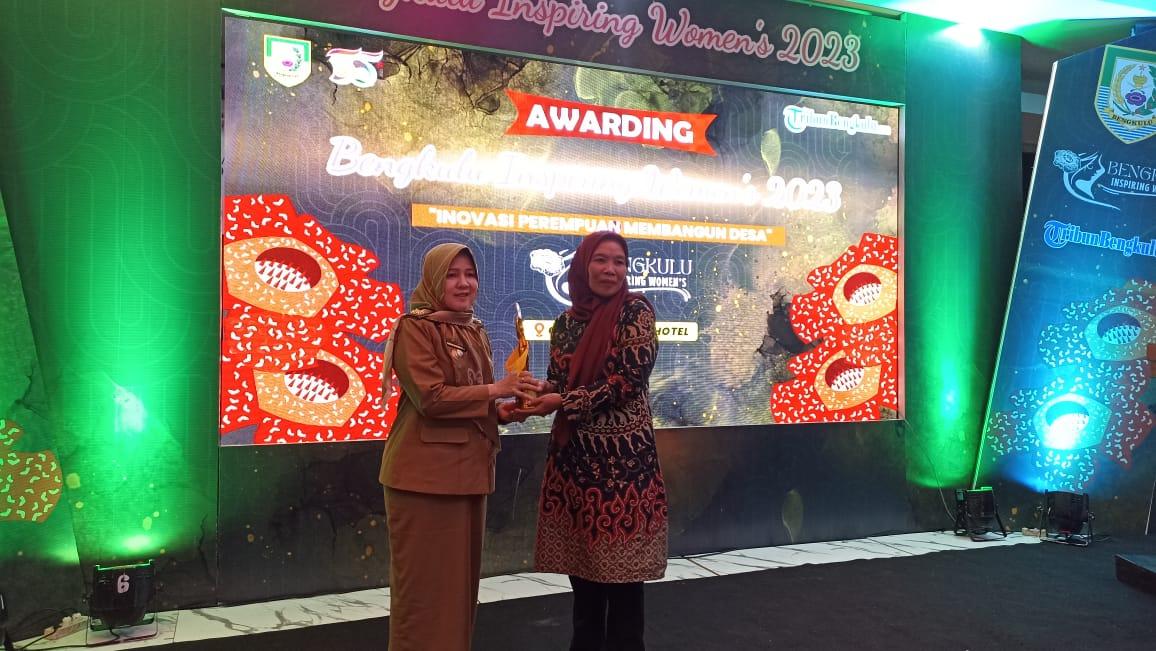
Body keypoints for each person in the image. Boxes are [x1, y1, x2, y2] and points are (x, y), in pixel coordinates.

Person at [378, 242, 535, 651]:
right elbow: (431, 398)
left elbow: (470, 398)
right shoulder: (414, 327)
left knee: (458, 594)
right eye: (451, 275)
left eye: (470, 274)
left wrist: (500, 412)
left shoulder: (473, 328)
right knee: (423, 595)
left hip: (469, 474)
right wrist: (496, 390)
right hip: (424, 480)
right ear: (433, 280)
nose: (464, 283)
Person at [521, 231, 668, 651]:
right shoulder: (566, 323)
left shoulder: (635, 311)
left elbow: (627, 380)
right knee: (584, 585)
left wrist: (564, 400)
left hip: (624, 468)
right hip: (576, 465)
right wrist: (536, 392)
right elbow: (560, 379)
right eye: (601, 260)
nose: (610, 269)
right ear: (583, 265)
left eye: (619, 262)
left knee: (624, 590)